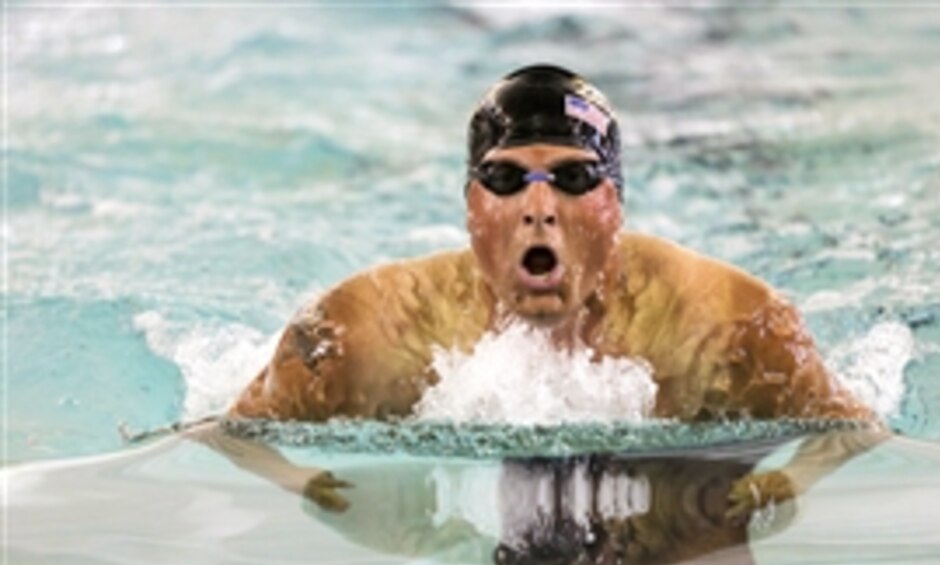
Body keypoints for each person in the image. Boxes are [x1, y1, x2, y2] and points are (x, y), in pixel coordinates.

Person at [229, 64, 876, 425]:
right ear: (471, 208)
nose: (539, 209)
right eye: (506, 179)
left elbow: (851, 434)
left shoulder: (731, 326)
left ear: (614, 207)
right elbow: (236, 437)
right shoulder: (362, 331)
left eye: (573, 178)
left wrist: (783, 482)